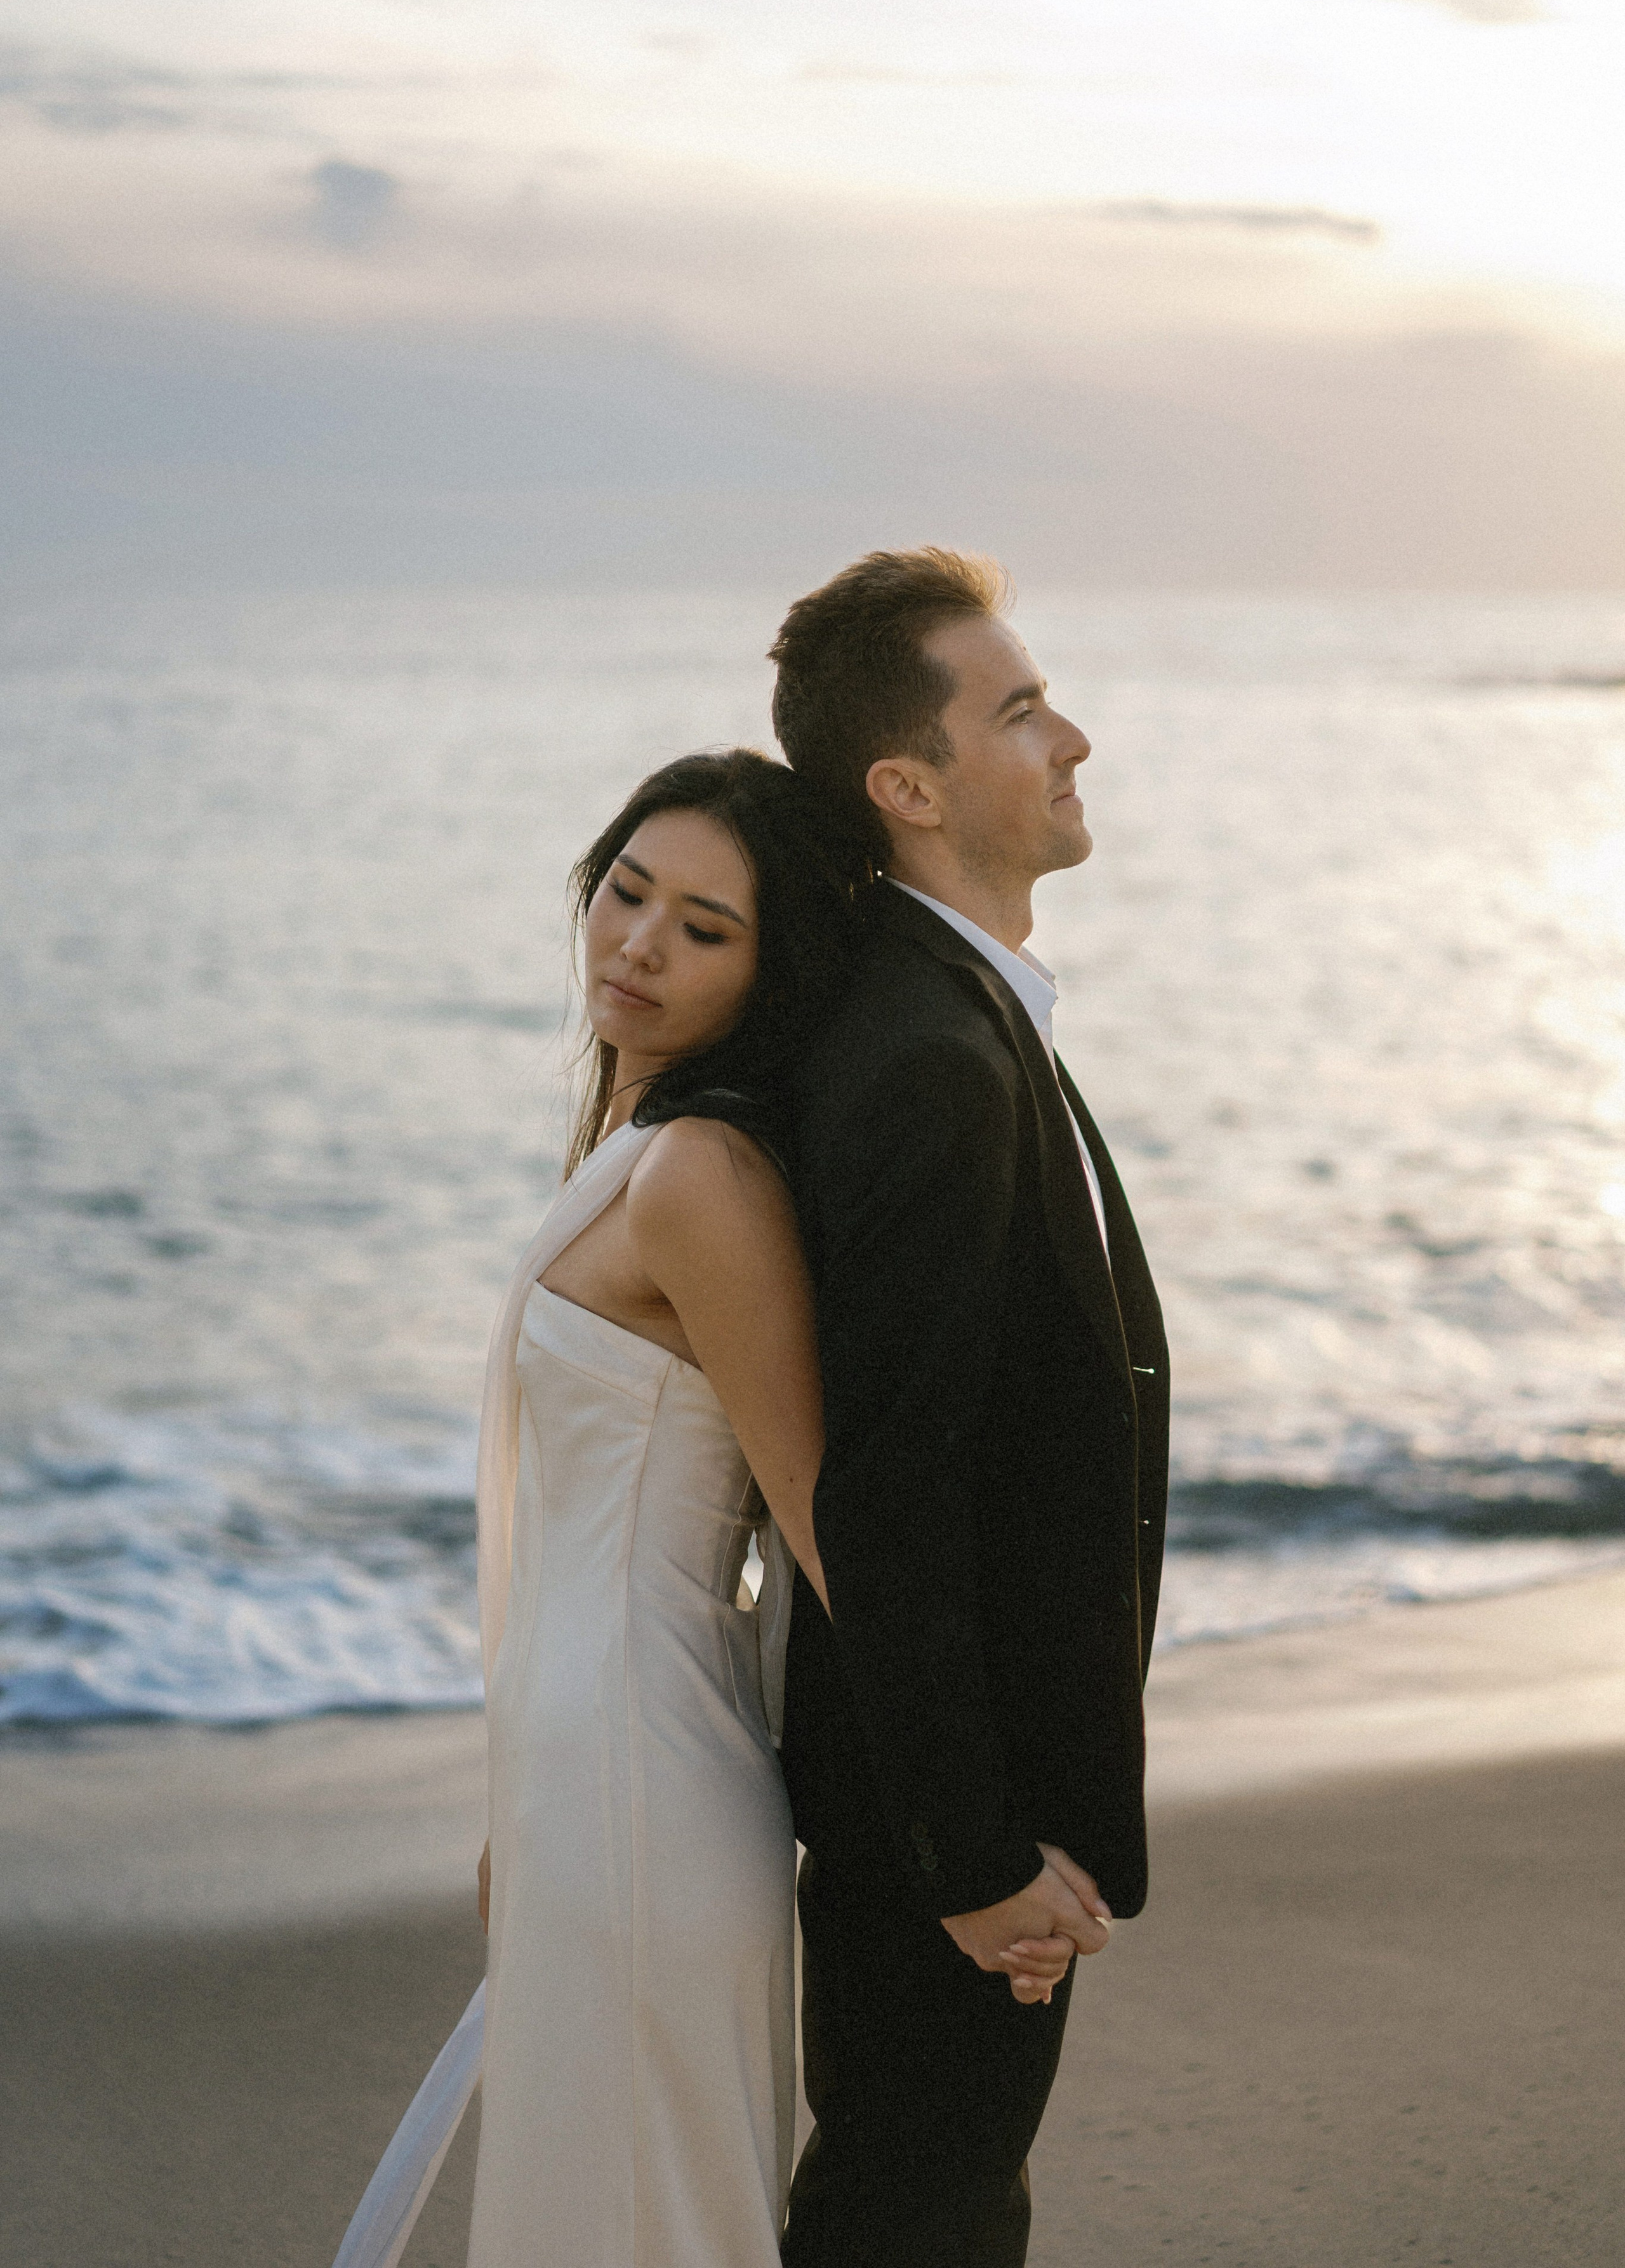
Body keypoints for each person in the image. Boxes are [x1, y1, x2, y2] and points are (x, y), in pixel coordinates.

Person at [328, 744, 1073, 2268]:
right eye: (625, 892)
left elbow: (822, 1515)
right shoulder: (641, 1148)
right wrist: (514, 1815)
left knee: (642, 2215)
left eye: (705, 927)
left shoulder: (700, 1179)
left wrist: (971, 1852)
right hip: (585, 1777)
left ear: (771, 968)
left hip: (645, 1779)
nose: (638, 945)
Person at [769, 549, 1171, 2268]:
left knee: (934, 2204)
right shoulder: (926, 1054)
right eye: (1019, 710)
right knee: (908, 2219)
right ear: (908, 787)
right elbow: (889, 1490)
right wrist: (972, 1857)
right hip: (943, 1821)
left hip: (975, 1797)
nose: (1071, 738)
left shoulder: (951, 1012)